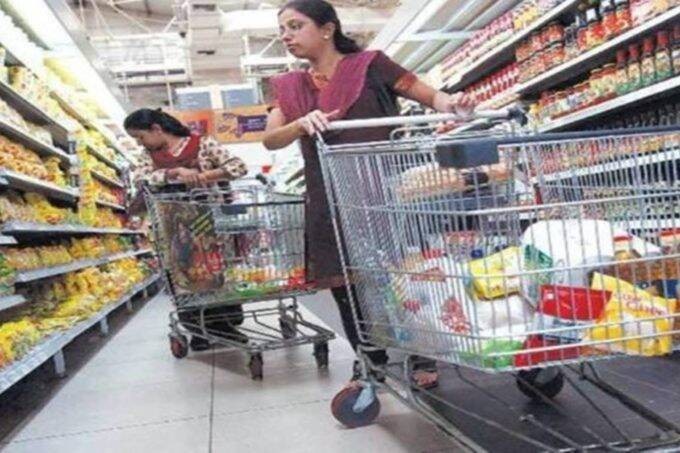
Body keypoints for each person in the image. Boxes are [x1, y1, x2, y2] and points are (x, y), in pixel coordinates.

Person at [262, 0, 476, 389]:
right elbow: (270, 139)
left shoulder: (371, 64)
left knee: (400, 275)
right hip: (327, 198)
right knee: (346, 283)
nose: (286, 36)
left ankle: (422, 351)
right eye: (282, 30)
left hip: (382, 193)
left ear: (327, 29)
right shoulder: (291, 86)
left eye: (295, 26)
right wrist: (299, 124)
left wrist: (453, 103)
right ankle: (369, 356)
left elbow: (431, 97)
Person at [125, 108, 248, 351]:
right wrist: (174, 173)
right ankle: (197, 330)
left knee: (216, 271)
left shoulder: (203, 144)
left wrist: (204, 176)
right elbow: (141, 179)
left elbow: (238, 167)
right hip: (173, 226)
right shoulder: (147, 156)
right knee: (184, 276)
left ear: (156, 129)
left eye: (140, 136)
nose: (140, 143)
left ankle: (224, 324)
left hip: (211, 222)